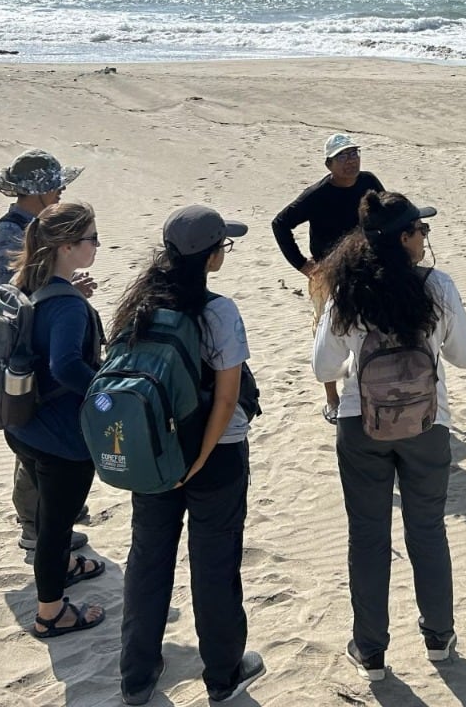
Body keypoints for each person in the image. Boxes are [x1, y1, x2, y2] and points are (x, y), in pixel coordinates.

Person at [312, 192, 466, 681]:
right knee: (428, 530)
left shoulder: (348, 290)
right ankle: (439, 638)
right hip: (428, 424)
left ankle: (371, 650)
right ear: (404, 237)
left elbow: (323, 366)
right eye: (420, 230)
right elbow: (463, 356)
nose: (425, 238)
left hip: (361, 426)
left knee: (367, 537)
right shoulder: (437, 286)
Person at [116, 206, 266, 706]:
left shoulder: (138, 302)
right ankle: (223, 674)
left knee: (148, 559)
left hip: (153, 453)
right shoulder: (218, 310)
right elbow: (226, 398)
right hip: (215, 456)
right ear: (211, 254)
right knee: (215, 564)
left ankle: (137, 675)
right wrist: (202, 457)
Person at [0, 148, 94, 560]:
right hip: (20, 360)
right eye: (57, 185)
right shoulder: (9, 235)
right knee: (33, 443)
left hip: (32, 352)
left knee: (35, 445)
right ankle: (37, 529)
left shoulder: (26, 226)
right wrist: (61, 297)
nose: (62, 190)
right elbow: (10, 298)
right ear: (39, 191)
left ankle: (48, 525)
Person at [1, 200, 107, 639]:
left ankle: (63, 563)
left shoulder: (31, 283)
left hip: (22, 424)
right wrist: (106, 395)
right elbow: (65, 366)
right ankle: (51, 613)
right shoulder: (66, 305)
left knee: (49, 513)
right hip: (60, 439)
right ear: (66, 246)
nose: (97, 246)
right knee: (55, 524)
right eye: (91, 239)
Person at [272, 133, 385, 422]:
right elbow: (280, 224)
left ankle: (370, 385)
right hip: (328, 273)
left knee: (371, 327)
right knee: (327, 331)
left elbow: (385, 214)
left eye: (354, 153)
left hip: (365, 268)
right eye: (343, 156)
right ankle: (332, 397)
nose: (351, 160)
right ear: (329, 164)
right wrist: (302, 265)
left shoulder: (368, 182)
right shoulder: (316, 195)